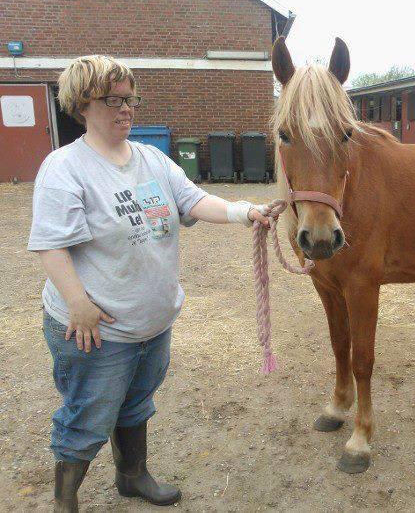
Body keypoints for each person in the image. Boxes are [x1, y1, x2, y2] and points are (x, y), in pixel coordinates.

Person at [27, 55, 269, 512]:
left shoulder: (152, 159)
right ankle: (64, 502)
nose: (126, 108)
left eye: (130, 98)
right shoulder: (65, 168)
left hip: (151, 324)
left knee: (136, 404)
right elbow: (49, 245)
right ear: (82, 103)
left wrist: (244, 211)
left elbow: (193, 200)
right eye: (112, 99)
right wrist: (78, 302)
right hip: (96, 329)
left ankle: (132, 476)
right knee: (87, 417)